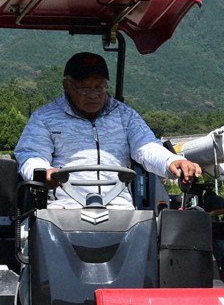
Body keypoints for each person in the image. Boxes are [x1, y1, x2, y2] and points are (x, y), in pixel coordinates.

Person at [13, 51, 204, 208]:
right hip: (64, 207)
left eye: (99, 87)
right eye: (85, 88)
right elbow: (31, 154)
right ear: (67, 86)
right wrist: (45, 172)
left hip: (119, 208)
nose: (94, 95)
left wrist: (173, 160)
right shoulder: (45, 117)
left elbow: (146, 147)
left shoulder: (124, 115)